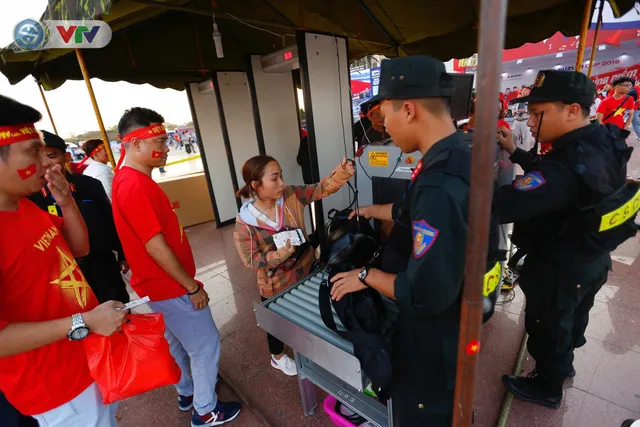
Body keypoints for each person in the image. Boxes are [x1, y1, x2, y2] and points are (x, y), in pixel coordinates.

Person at [329, 55, 498, 426]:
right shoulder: (458, 154)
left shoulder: (439, 183)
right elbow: (411, 209)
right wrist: (374, 211)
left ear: (408, 109)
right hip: (463, 312)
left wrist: (363, 276)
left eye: (385, 114)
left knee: (425, 411)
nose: (384, 125)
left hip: (435, 334)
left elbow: (424, 293)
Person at [496, 70, 635, 409]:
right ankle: (565, 363)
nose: (528, 122)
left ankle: (547, 387)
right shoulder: (601, 139)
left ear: (572, 110)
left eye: (537, 113)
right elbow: (555, 177)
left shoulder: (564, 166)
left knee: (548, 326)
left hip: (560, 266)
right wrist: (516, 152)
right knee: (573, 318)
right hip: (593, 258)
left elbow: (504, 204)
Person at [0, 94, 126, 427]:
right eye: (32, 152)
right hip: (55, 386)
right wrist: (81, 322)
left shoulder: (24, 205)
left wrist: (67, 203)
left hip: (85, 359)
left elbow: (79, 248)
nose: (46, 163)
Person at [112, 107, 241, 426]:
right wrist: (192, 287)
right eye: (158, 140)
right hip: (170, 286)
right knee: (205, 345)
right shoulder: (135, 185)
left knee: (177, 343)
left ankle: (186, 392)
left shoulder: (128, 179)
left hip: (154, 286)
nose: (166, 147)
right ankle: (205, 409)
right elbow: (155, 246)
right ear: (135, 144)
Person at [234, 154, 354, 376]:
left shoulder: (290, 197)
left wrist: (342, 171)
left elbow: (321, 189)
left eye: (281, 176)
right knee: (276, 323)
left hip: (306, 270)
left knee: (308, 312)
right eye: (274, 178)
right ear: (255, 185)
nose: (282, 183)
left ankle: (309, 347)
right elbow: (251, 260)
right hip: (275, 283)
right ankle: (277, 357)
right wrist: (278, 256)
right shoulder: (246, 223)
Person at [29, 130, 130, 304]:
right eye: (37, 158)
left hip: (102, 265)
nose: (45, 164)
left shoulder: (89, 185)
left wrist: (122, 253)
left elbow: (110, 220)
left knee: (118, 308)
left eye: (51, 156)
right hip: (65, 274)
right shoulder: (31, 197)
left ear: (67, 157)